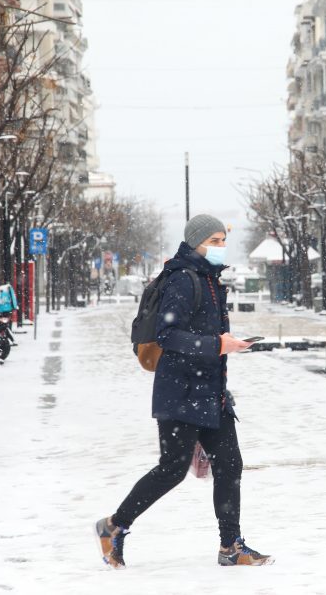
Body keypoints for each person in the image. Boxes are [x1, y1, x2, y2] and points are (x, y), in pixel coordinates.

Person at [96, 214, 273, 569]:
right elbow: (168, 336)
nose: (223, 247)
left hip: (211, 391)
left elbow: (209, 340)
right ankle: (114, 526)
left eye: (224, 240)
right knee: (172, 469)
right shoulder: (183, 280)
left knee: (229, 464)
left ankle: (231, 546)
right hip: (180, 391)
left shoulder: (209, 279)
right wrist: (217, 344)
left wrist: (226, 346)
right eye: (217, 241)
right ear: (197, 242)